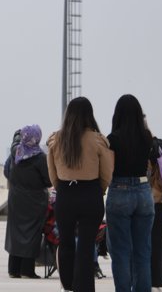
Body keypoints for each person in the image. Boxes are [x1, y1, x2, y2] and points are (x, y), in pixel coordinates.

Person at [47, 96, 114, 292]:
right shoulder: (98, 140)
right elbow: (106, 174)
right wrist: (98, 190)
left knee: (66, 242)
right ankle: (84, 287)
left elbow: (52, 173)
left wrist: (62, 188)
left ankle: (67, 284)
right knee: (86, 245)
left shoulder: (56, 140)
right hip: (90, 193)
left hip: (66, 193)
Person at [105, 95, 154, 292]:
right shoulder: (147, 137)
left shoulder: (112, 139)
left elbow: (108, 169)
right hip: (143, 192)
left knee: (120, 252)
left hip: (119, 190)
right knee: (142, 252)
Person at [3, 125, 51, 279]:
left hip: (16, 198)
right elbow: (48, 180)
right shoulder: (40, 158)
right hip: (35, 201)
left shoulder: (15, 153)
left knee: (15, 232)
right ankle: (27, 269)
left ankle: (13, 269)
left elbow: (6, 171)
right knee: (32, 233)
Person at [148, 131, 162, 291]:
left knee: (140, 243)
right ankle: (157, 280)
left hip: (143, 197)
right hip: (160, 199)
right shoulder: (161, 145)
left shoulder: (137, 145)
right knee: (157, 243)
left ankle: (143, 279)